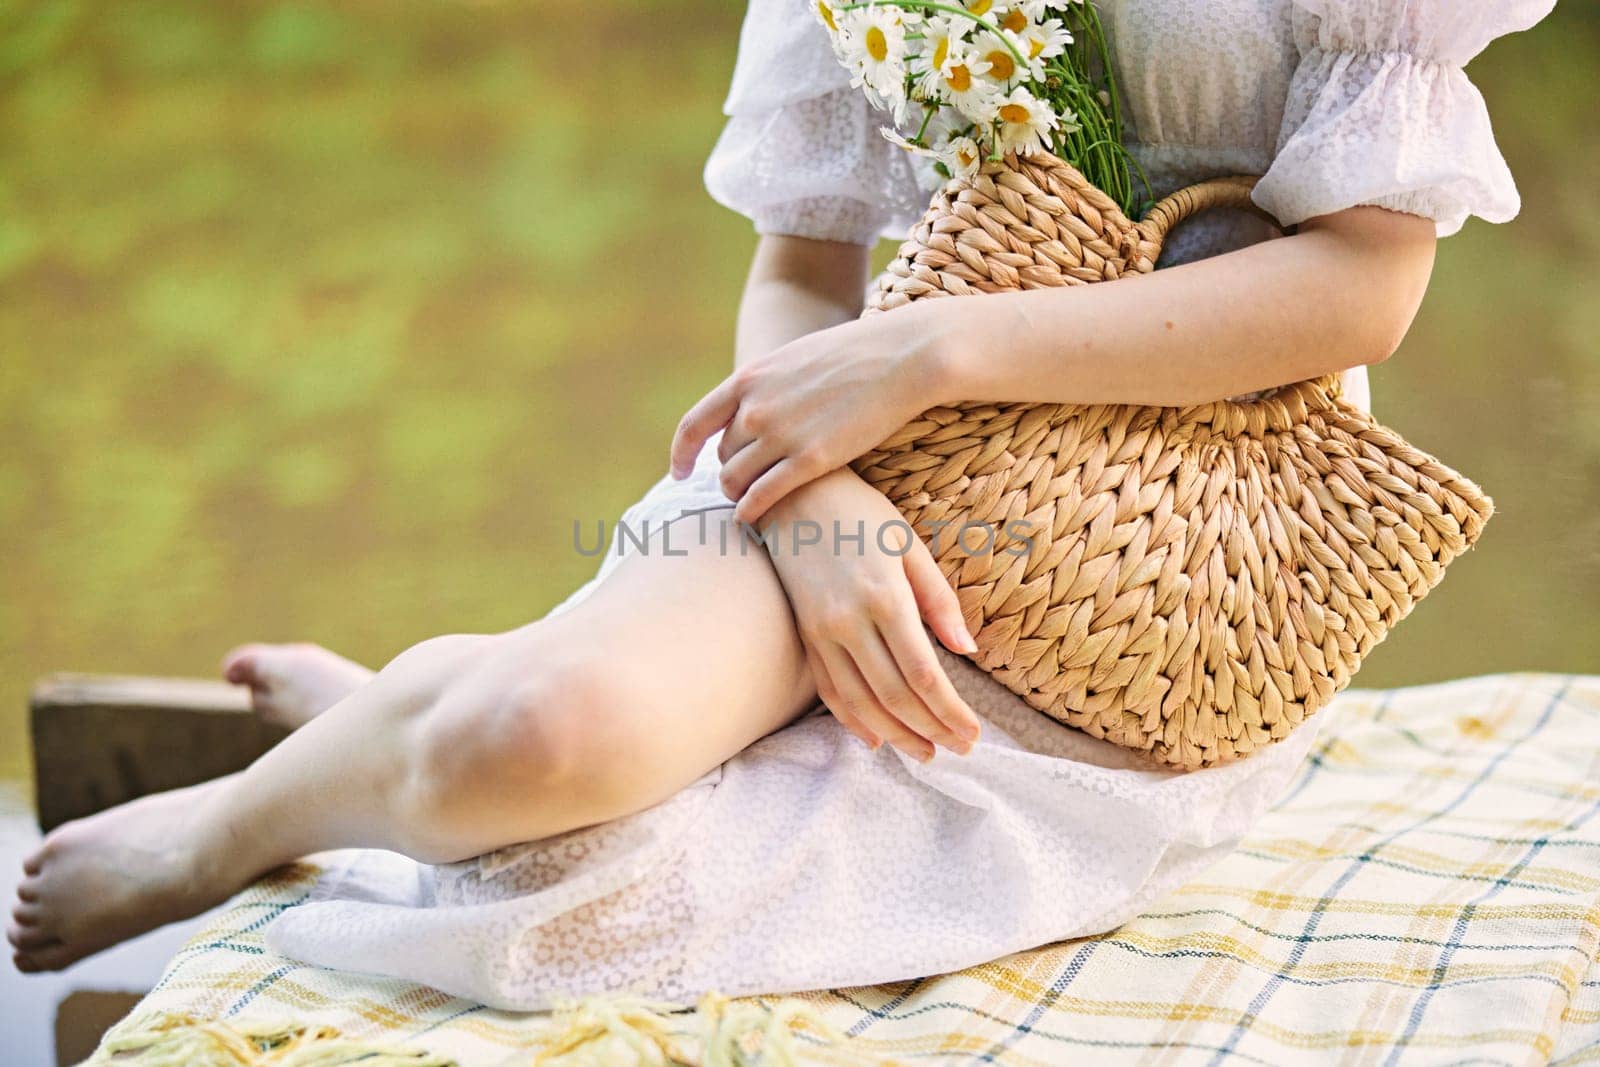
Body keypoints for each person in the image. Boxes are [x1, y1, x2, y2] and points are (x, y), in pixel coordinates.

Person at [9, 0, 1552, 1007]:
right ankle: (234, 823)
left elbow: (1363, 285)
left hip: (1171, 552)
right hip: (862, 461)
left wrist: (934, 348)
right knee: (537, 746)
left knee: (574, 896)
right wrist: (820, 505)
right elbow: (801, 276)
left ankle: (392, 711)